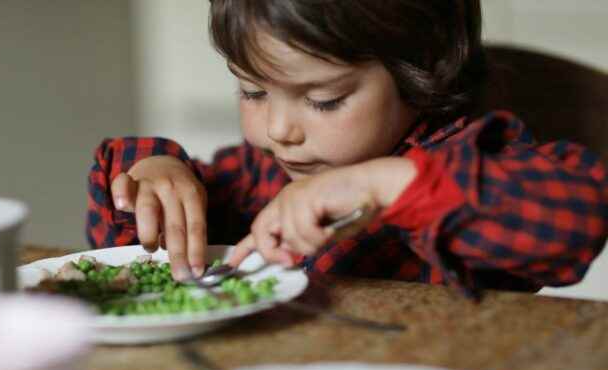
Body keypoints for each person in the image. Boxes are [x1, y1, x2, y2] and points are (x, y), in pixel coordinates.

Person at [86, 0, 607, 298]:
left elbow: (574, 220)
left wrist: (382, 185)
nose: (279, 130)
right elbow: (124, 256)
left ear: (419, 74)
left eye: (324, 99)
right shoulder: (258, 175)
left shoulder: (466, 159)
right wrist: (155, 174)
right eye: (253, 91)